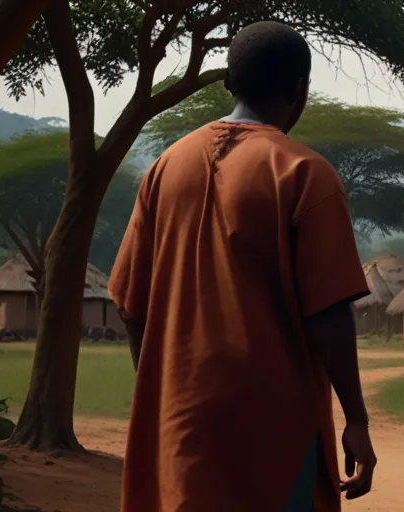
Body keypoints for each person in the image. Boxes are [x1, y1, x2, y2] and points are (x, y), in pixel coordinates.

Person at [108, 20, 377, 512]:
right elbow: (329, 312)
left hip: (182, 423)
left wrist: (163, 393)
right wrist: (355, 420)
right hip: (275, 427)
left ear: (229, 83)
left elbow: (130, 305)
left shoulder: (164, 168)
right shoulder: (304, 173)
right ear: (302, 89)